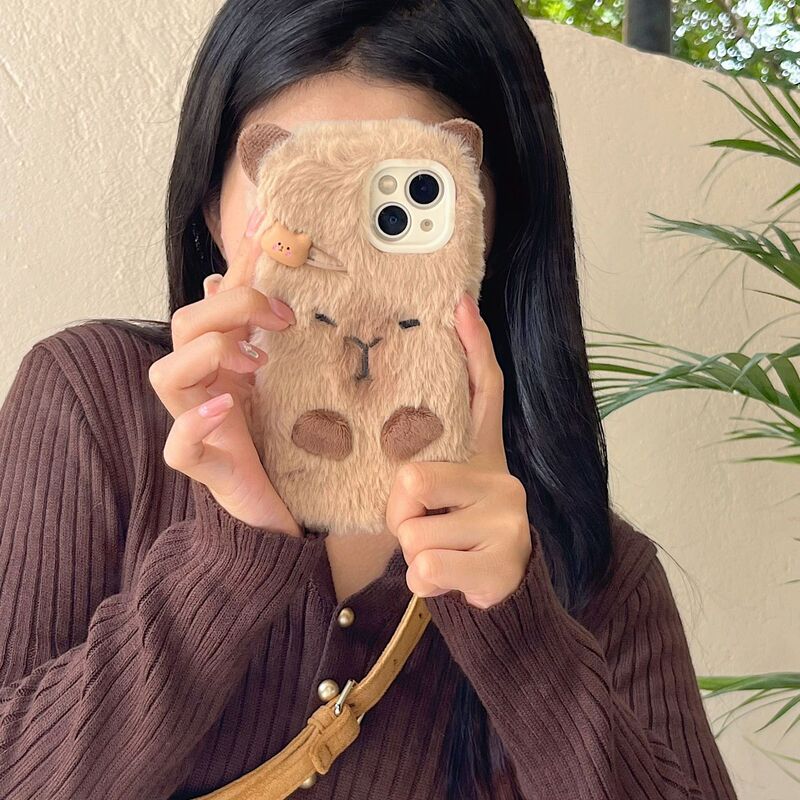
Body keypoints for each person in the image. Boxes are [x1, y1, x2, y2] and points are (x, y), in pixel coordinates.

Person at [0, 1, 739, 798]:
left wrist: (520, 630)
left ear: (490, 225)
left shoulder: (587, 561)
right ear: (213, 206)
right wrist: (226, 564)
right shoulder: (91, 403)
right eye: (306, 192)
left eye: (401, 201)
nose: (351, 257)